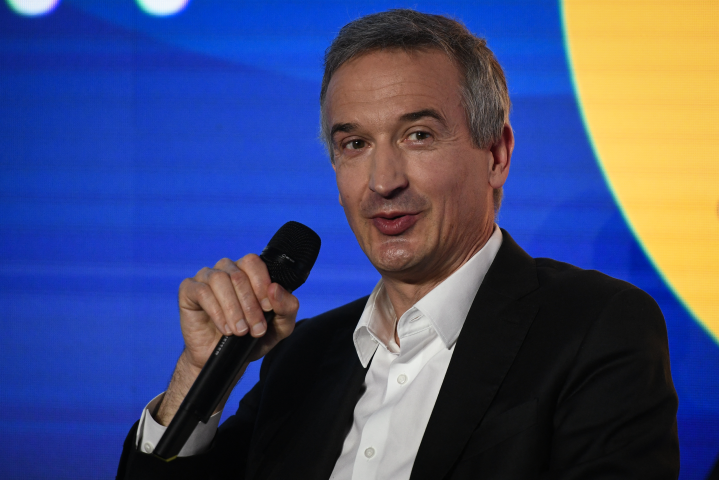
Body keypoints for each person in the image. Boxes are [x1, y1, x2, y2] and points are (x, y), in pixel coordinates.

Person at [117, 9, 679, 480]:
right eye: (355, 143)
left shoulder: (595, 327)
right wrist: (200, 372)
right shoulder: (300, 357)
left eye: (418, 136)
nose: (383, 181)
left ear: (497, 154)